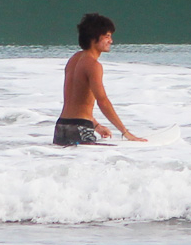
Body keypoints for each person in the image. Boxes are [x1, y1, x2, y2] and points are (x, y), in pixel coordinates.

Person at [53, 13, 146, 146]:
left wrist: (96, 125)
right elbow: (102, 101)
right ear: (93, 37)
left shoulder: (73, 60)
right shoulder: (93, 65)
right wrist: (125, 132)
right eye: (107, 36)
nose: (111, 41)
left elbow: (75, 101)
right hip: (80, 128)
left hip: (61, 126)